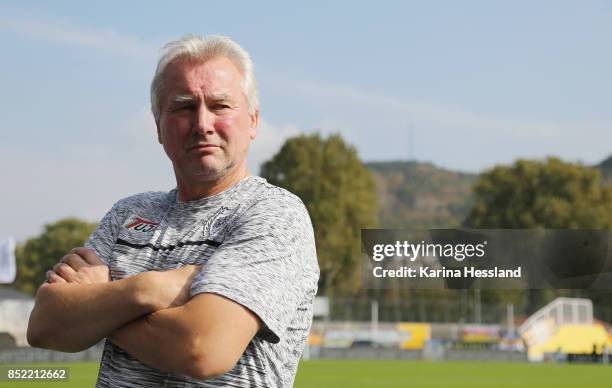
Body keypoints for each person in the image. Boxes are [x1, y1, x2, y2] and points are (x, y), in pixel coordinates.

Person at [26, 34, 320, 388]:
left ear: (253, 120)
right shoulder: (127, 214)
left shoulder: (273, 214)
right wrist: (147, 289)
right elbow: (44, 325)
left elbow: (203, 348)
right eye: (183, 106)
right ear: (158, 125)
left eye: (220, 106)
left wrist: (102, 302)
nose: (202, 124)